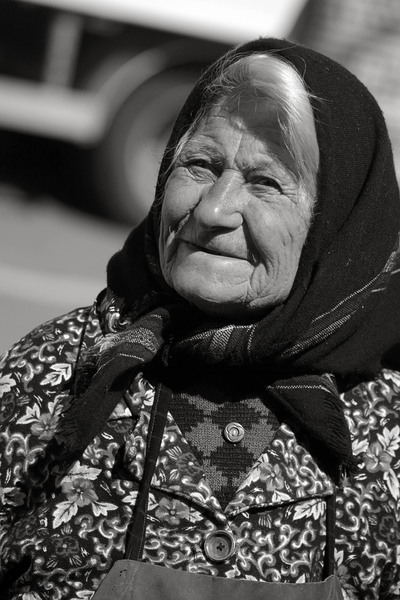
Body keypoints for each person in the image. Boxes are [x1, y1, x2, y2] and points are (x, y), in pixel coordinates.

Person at [0, 37, 399, 600]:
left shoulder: (384, 424)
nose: (211, 210)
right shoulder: (52, 372)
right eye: (200, 165)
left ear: (337, 226)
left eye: (265, 182)